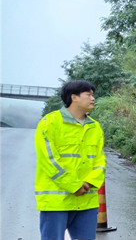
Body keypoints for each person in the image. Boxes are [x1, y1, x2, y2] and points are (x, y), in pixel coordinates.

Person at [34, 79, 106, 240]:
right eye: (88, 94)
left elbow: (100, 161)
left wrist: (88, 183)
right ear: (74, 97)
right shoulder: (50, 123)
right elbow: (49, 161)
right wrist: (74, 186)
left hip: (87, 202)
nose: (93, 98)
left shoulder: (95, 127)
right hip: (56, 202)